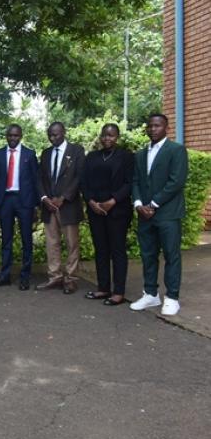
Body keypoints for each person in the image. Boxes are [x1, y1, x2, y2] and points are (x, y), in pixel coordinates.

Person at [130, 114, 188, 316]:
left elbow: (176, 181)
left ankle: (172, 297)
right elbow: (135, 181)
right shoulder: (139, 154)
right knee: (148, 255)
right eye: (150, 126)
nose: (153, 129)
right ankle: (150, 294)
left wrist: (153, 204)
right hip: (144, 214)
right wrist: (138, 204)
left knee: (172, 255)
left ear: (166, 128)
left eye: (157, 125)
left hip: (168, 214)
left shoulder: (176, 150)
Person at [81, 124, 134, 306]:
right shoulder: (92, 157)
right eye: (104, 135)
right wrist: (91, 202)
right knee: (101, 249)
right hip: (96, 210)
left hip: (117, 210)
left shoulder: (126, 157)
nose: (107, 139)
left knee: (117, 250)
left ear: (117, 137)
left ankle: (118, 291)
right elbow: (84, 182)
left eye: (111, 135)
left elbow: (129, 183)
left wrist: (113, 201)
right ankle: (103, 288)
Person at [36, 122, 86, 295]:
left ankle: (71, 278)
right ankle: (55, 276)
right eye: (50, 135)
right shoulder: (46, 153)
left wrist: (64, 198)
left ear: (64, 132)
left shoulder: (76, 151)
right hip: (49, 206)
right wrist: (44, 198)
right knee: (52, 243)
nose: (52, 138)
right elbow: (40, 178)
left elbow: (79, 177)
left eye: (56, 134)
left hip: (68, 206)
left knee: (72, 243)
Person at [0, 124, 39, 290]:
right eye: (10, 135)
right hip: (6, 201)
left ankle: (25, 277)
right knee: (6, 240)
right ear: (6, 136)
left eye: (16, 135)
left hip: (24, 201)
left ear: (21, 136)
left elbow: (35, 180)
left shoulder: (29, 154)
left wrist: (36, 205)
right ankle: (4, 276)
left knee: (26, 240)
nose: (13, 138)